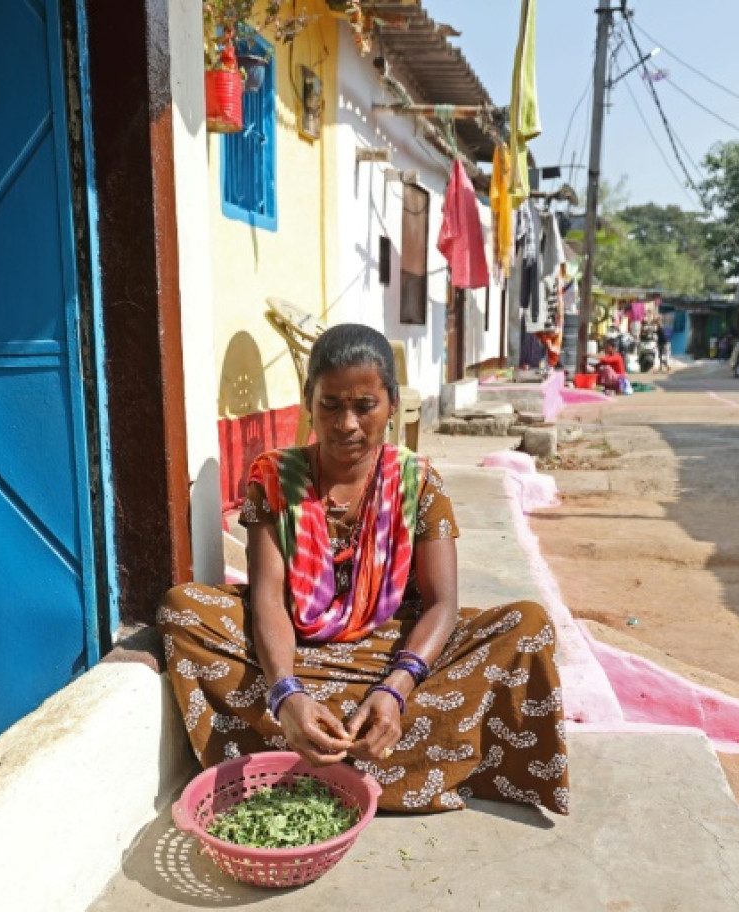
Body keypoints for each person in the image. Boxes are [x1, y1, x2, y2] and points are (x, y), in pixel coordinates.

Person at [159, 324, 569, 816]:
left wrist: (396, 689)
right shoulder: (274, 479)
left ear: (391, 405)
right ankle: (327, 739)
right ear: (309, 401)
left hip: (395, 649)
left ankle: (310, 758)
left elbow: (442, 604)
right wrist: (286, 693)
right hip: (297, 649)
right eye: (330, 404)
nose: (346, 423)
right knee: (183, 610)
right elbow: (267, 598)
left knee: (526, 626)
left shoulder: (418, 483)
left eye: (364, 406)